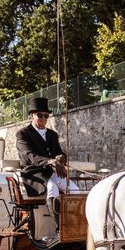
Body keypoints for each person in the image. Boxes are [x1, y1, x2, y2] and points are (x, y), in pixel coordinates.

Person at [16, 97, 77, 235]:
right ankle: (59, 229)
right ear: (32, 116)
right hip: (33, 174)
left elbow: (59, 153)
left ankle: (78, 224)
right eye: (40, 115)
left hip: (51, 172)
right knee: (51, 187)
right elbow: (28, 156)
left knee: (75, 190)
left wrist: (61, 158)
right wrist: (50, 161)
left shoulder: (52, 134)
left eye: (46, 116)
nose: (43, 118)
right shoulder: (23, 134)